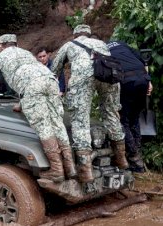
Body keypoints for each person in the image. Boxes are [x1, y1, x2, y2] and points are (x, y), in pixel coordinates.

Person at [0, 34, 77, 182]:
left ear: (0, 46)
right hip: (50, 80)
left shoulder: (0, 56)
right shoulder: (27, 53)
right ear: (16, 44)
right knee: (57, 122)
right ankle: (70, 167)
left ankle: (56, 170)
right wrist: (22, 104)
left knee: (43, 126)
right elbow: (33, 76)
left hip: (32, 87)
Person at [51, 24, 128, 182]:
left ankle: (86, 171)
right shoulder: (101, 44)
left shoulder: (69, 45)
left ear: (75, 35)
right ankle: (121, 158)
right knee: (111, 114)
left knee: (80, 119)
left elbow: (54, 70)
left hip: (83, 77)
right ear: (89, 34)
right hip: (108, 75)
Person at [107, 41, 153, 173]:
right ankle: (138, 154)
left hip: (127, 82)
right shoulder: (122, 44)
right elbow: (142, 60)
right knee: (134, 118)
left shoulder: (103, 48)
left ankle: (134, 158)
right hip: (143, 79)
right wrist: (148, 80)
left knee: (123, 120)